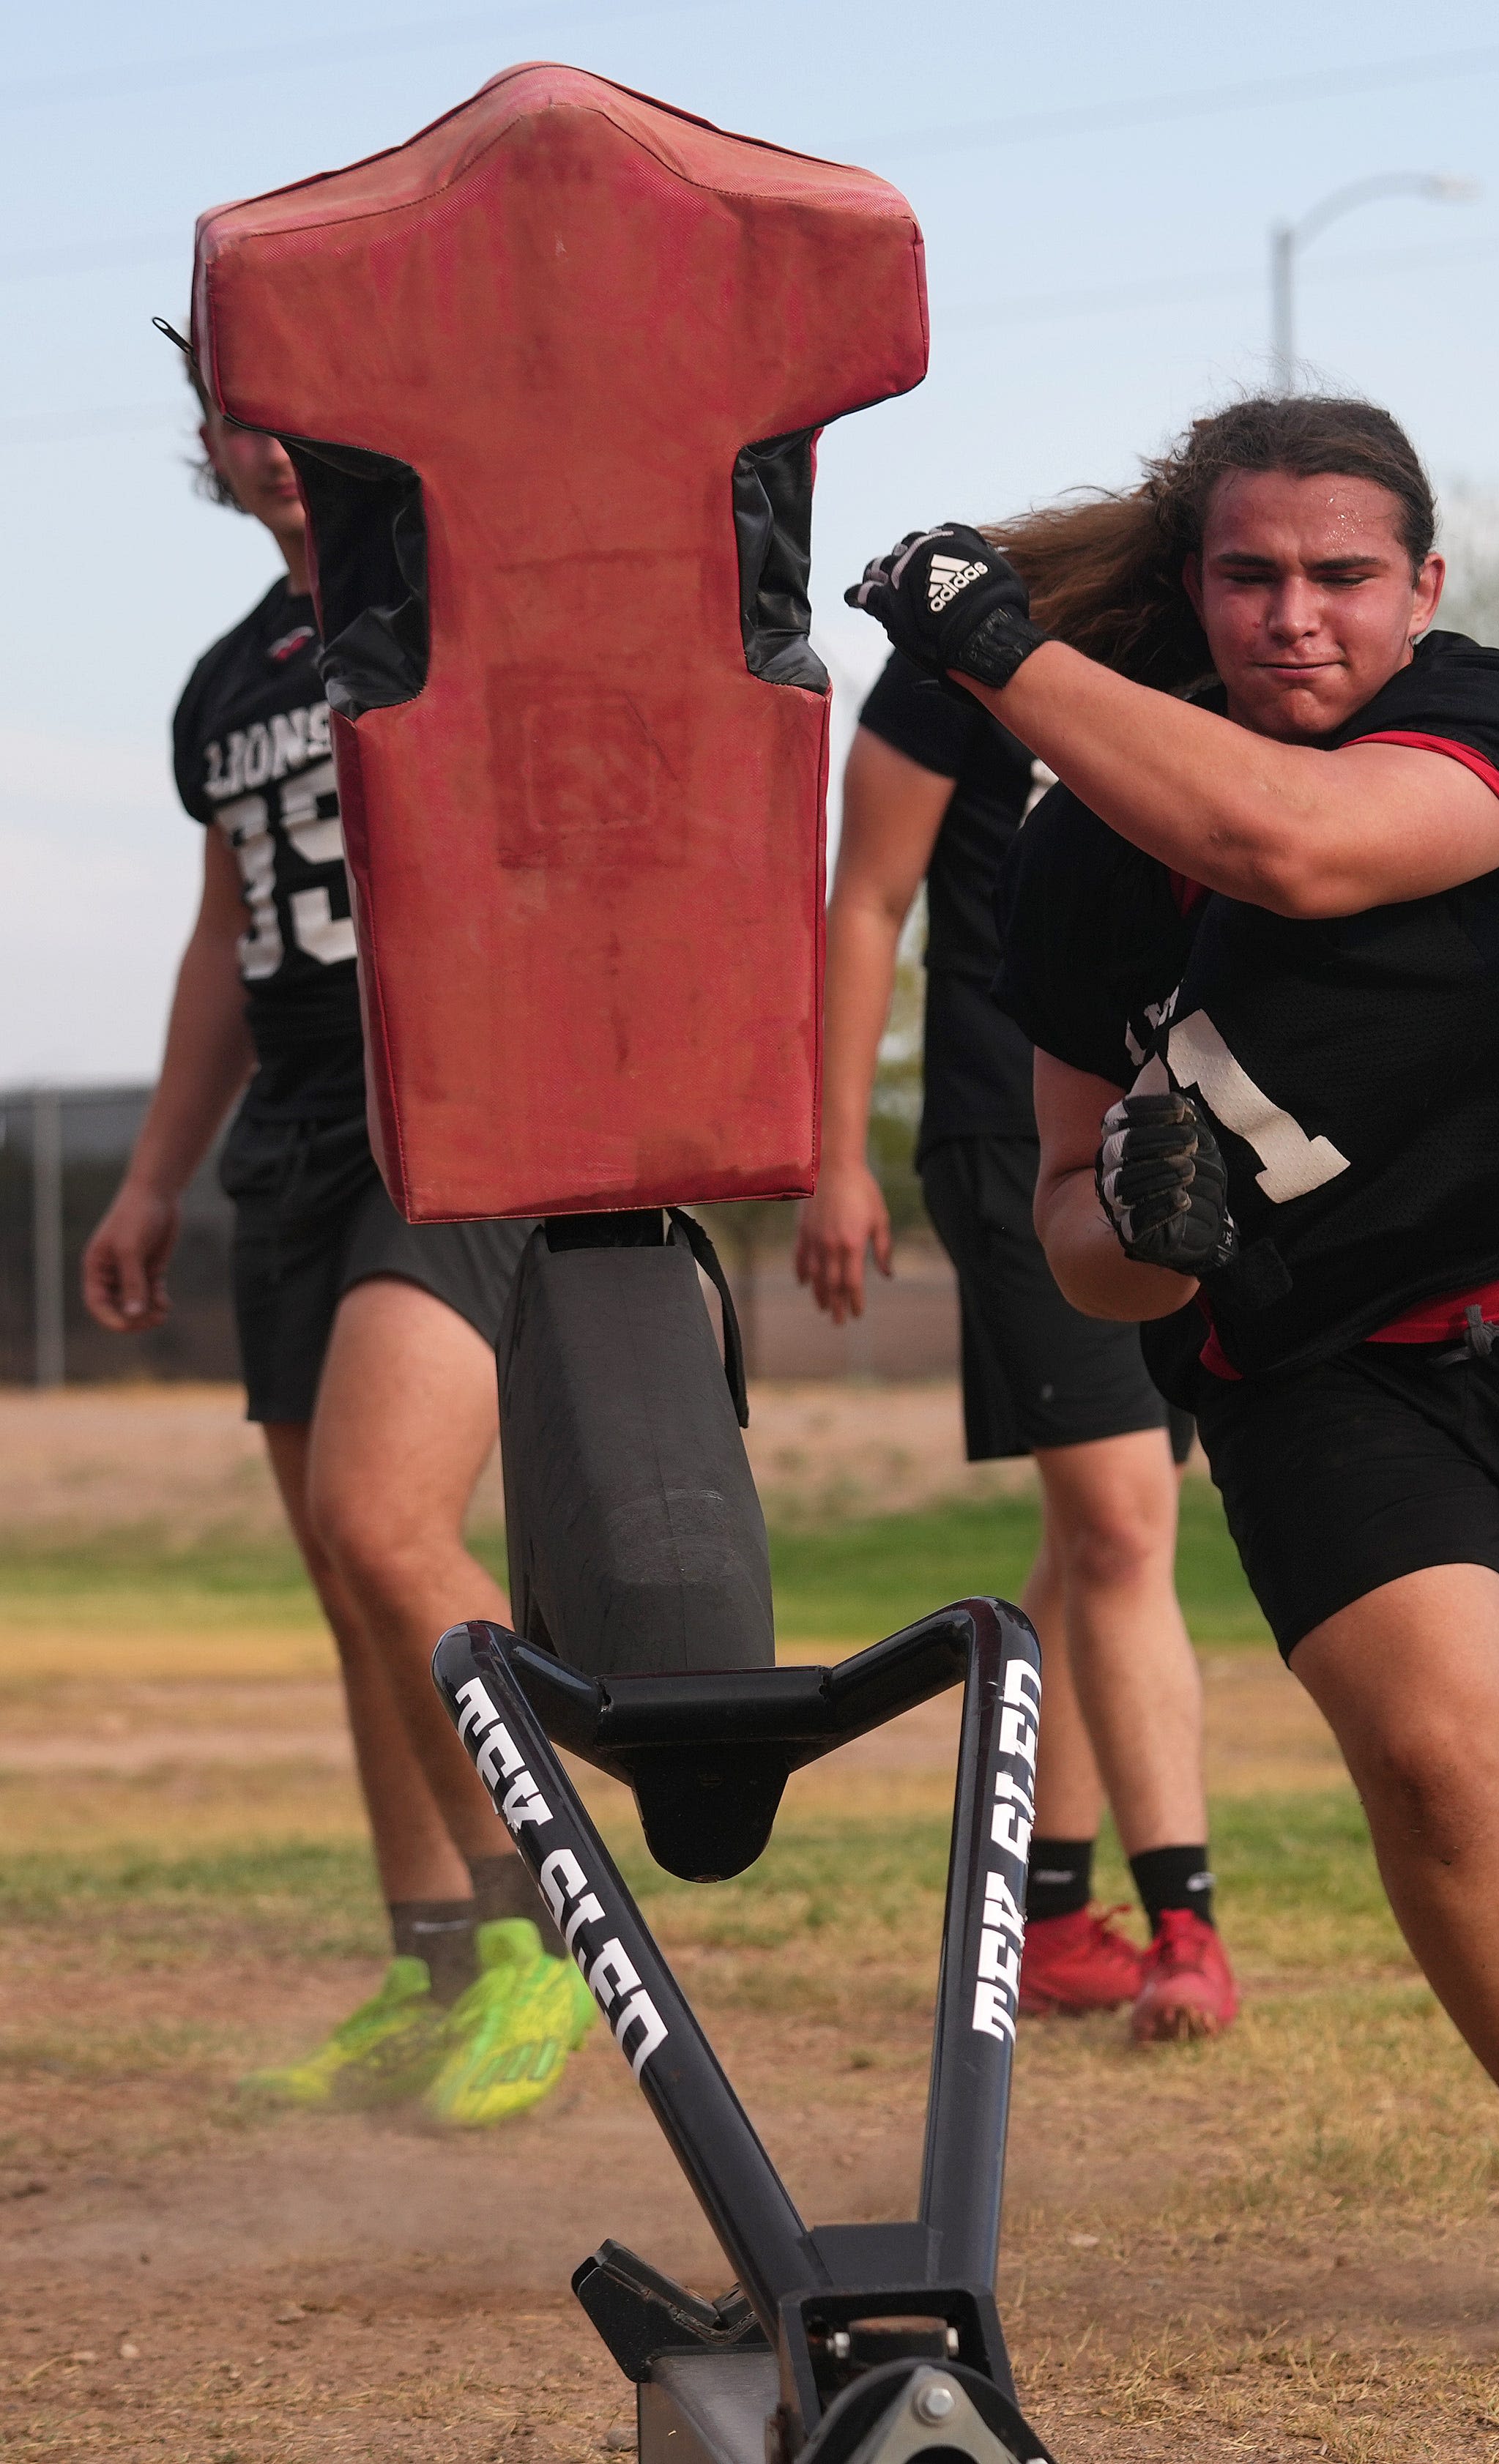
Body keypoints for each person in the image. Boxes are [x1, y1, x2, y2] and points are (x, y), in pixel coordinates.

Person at [842, 395, 1499, 2335]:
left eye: (1340, 575)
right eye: (1247, 575)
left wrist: (991, 641)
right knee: (1428, 1754)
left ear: (1425, 585)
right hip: (1325, 1365)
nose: (1293, 616)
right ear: (1195, 592)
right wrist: (1139, 1232)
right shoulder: (1079, 866)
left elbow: (1291, 846)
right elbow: (1082, 1237)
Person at [82, 352, 592, 2127]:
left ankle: (563, 1937)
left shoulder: (451, 604)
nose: (271, 444)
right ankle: (434, 1966)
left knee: (389, 1528)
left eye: (300, 406)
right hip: (293, 1131)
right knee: (334, 1569)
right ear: (208, 445)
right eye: (237, 414)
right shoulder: (225, 682)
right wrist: (153, 1173)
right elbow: (226, 934)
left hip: (443, 1109)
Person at [793, 652, 1233, 2042]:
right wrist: (831, 1156)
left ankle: (1048, 1920)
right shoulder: (955, 666)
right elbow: (865, 899)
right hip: (1016, 1140)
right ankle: (1186, 1928)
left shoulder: (1200, 650)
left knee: (1092, 1534)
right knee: (1118, 1522)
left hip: (1186, 1134)